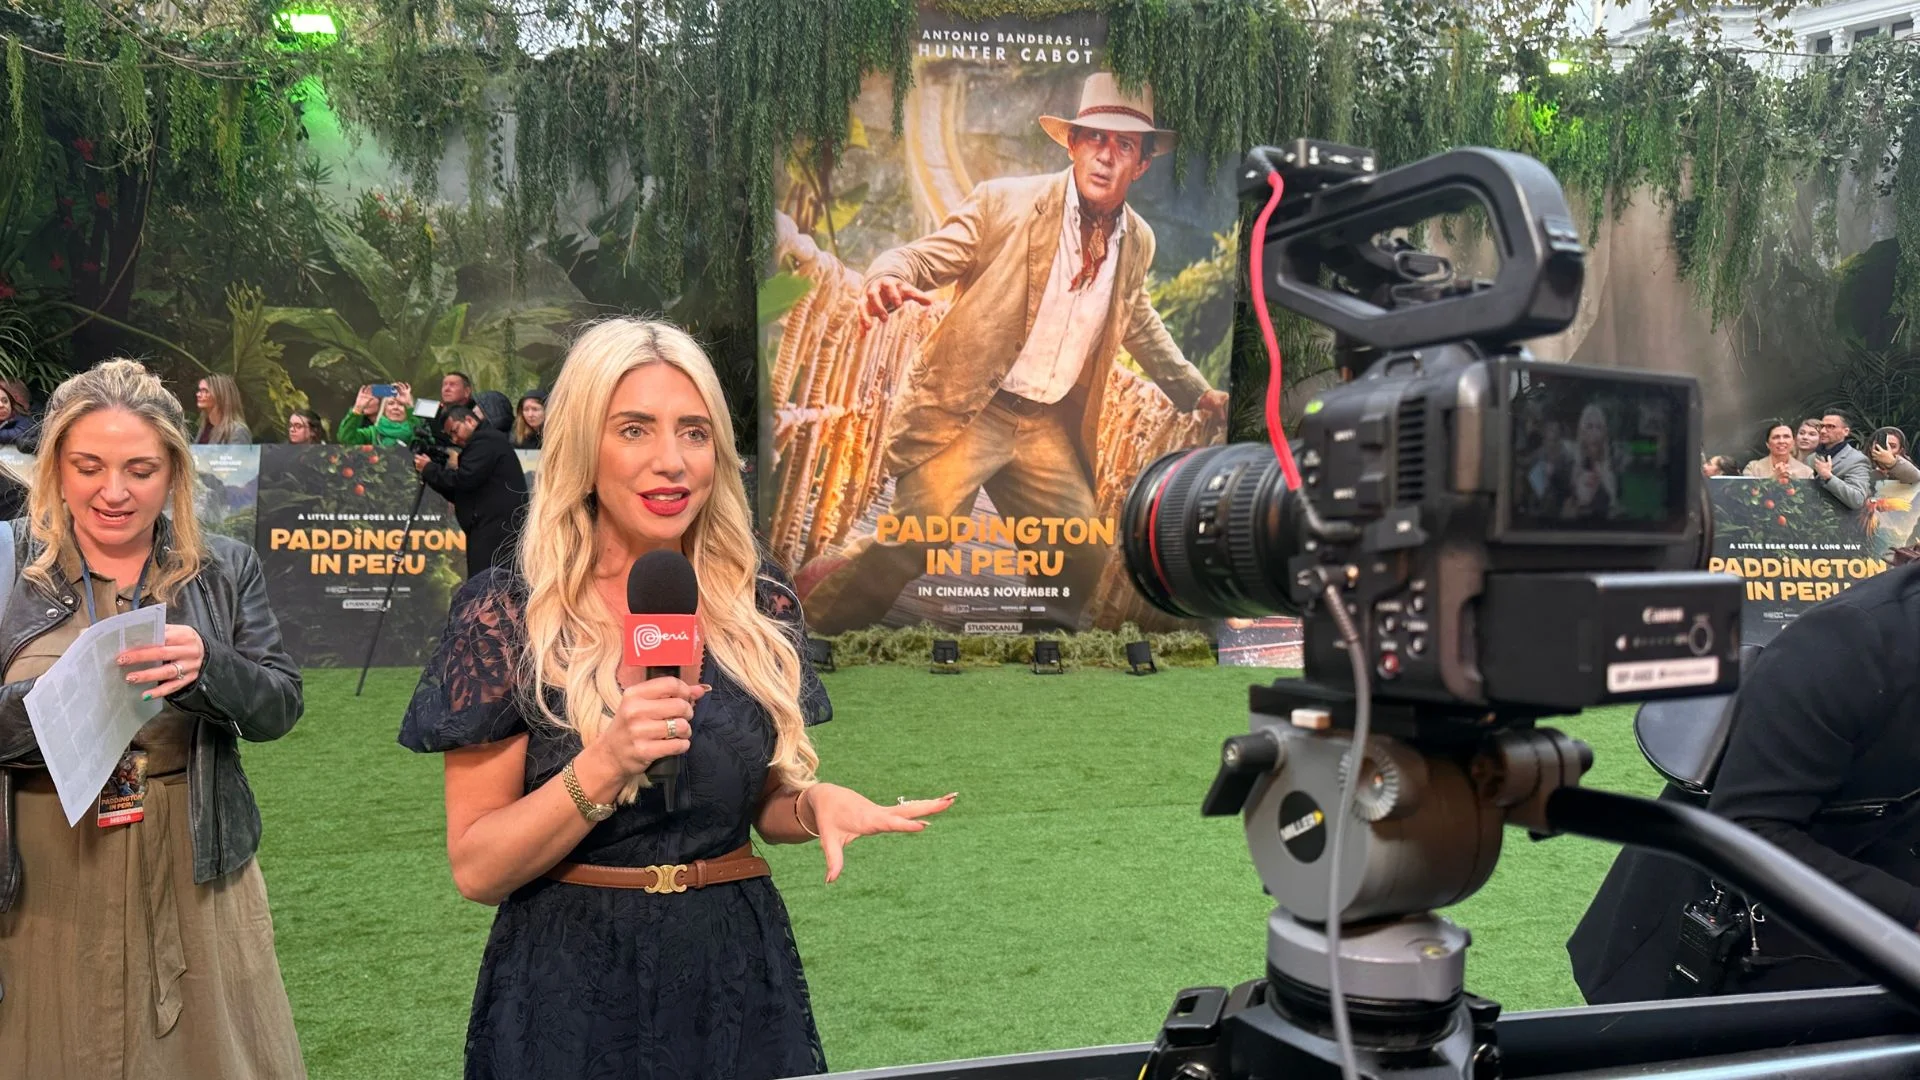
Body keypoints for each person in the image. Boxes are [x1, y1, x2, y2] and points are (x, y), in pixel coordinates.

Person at [399, 318, 953, 1079]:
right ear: (585, 449)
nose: (672, 462)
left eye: (694, 432)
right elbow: (478, 869)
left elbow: (754, 802)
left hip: (732, 973)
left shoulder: (757, 606)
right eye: (635, 429)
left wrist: (810, 804)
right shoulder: (507, 614)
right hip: (567, 985)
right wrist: (606, 764)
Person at [798, 72, 1229, 634]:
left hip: (1046, 424)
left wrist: (1197, 392)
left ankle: (1038, 653)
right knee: (920, 533)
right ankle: (815, 632)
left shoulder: (1139, 240)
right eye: (1095, 139)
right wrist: (887, 275)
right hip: (970, 406)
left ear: (1141, 164)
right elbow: (925, 258)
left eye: (1123, 145)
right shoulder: (1005, 202)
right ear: (1072, 145)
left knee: (1081, 554)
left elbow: (1138, 321)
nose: (1106, 156)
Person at [0, 359, 304, 1076]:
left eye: (139, 468)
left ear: (172, 470)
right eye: (89, 466)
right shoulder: (7, 564)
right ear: (55, 468)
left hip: (194, 865)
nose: (114, 492)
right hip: (44, 868)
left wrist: (209, 672)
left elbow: (280, 704)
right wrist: (47, 708)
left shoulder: (223, 568)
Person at [1570, 561, 1920, 1001]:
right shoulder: (1852, 640)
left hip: (1870, 940)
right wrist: (1910, 911)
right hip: (1719, 947)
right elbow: (1747, 832)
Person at [414, 404, 529, 577]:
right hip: (489, 528)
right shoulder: (483, 442)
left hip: (497, 532)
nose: (454, 439)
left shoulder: (485, 442)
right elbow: (460, 492)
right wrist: (432, 473)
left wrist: (430, 469)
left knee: (490, 583)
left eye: (455, 431)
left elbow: (463, 481)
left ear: (469, 420)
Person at [1809, 412, 1874, 510]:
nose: (1822, 431)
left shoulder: (1857, 460)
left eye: (1830, 427)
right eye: (1821, 426)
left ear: (1846, 431)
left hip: (1837, 521)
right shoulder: (1811, 457)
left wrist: (1828, 477)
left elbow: (1857, 499)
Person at [339, 383, 426, 448]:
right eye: (391, 403)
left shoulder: (419, 430)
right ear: (384, 410)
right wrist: (358, 408)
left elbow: (419, 424)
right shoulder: (373, 433)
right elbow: (346, 438)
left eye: (401, 404)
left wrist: (409, 404)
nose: (395, 407)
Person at [191, 374, 251, 446]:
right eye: (199, 390)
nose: (198, 394)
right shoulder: (204, 428)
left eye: (205, 391)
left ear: (220, 396)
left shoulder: (238, 431)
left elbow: (239, 457)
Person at [1742, 422, 1815, 481]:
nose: (1781, 441)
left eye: (1786, 436)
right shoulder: (1753, 468)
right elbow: (1747, 497)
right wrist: (1773, 479)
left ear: (1793, 442)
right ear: (1767, 444)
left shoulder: (1806, 472)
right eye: (1776, 437)